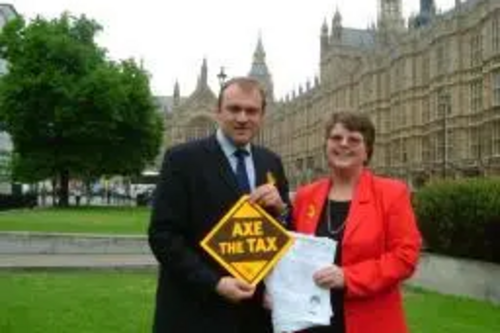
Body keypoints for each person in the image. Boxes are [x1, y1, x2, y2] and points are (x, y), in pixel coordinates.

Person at [148, 77, 290, 333]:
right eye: (234, 109)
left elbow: (285, 233)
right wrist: (214, 283)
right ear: (218, 111)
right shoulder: (182, 159)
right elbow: (163, 235)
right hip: (195, 311)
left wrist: (281, 210)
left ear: (263, 115)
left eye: (251, 111)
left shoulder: (271, 162)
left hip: (254, 316)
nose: (243, 118)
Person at [291, 111, 422, 333]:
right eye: (336, 138)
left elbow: (405, 257)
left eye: (354, 140)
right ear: (326, 145)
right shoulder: (305, 196)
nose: (344, 144)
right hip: (310, 322)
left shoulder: (391, 193)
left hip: (369, 321)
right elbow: (292, 254)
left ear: (367, 151)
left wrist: (348, 277)